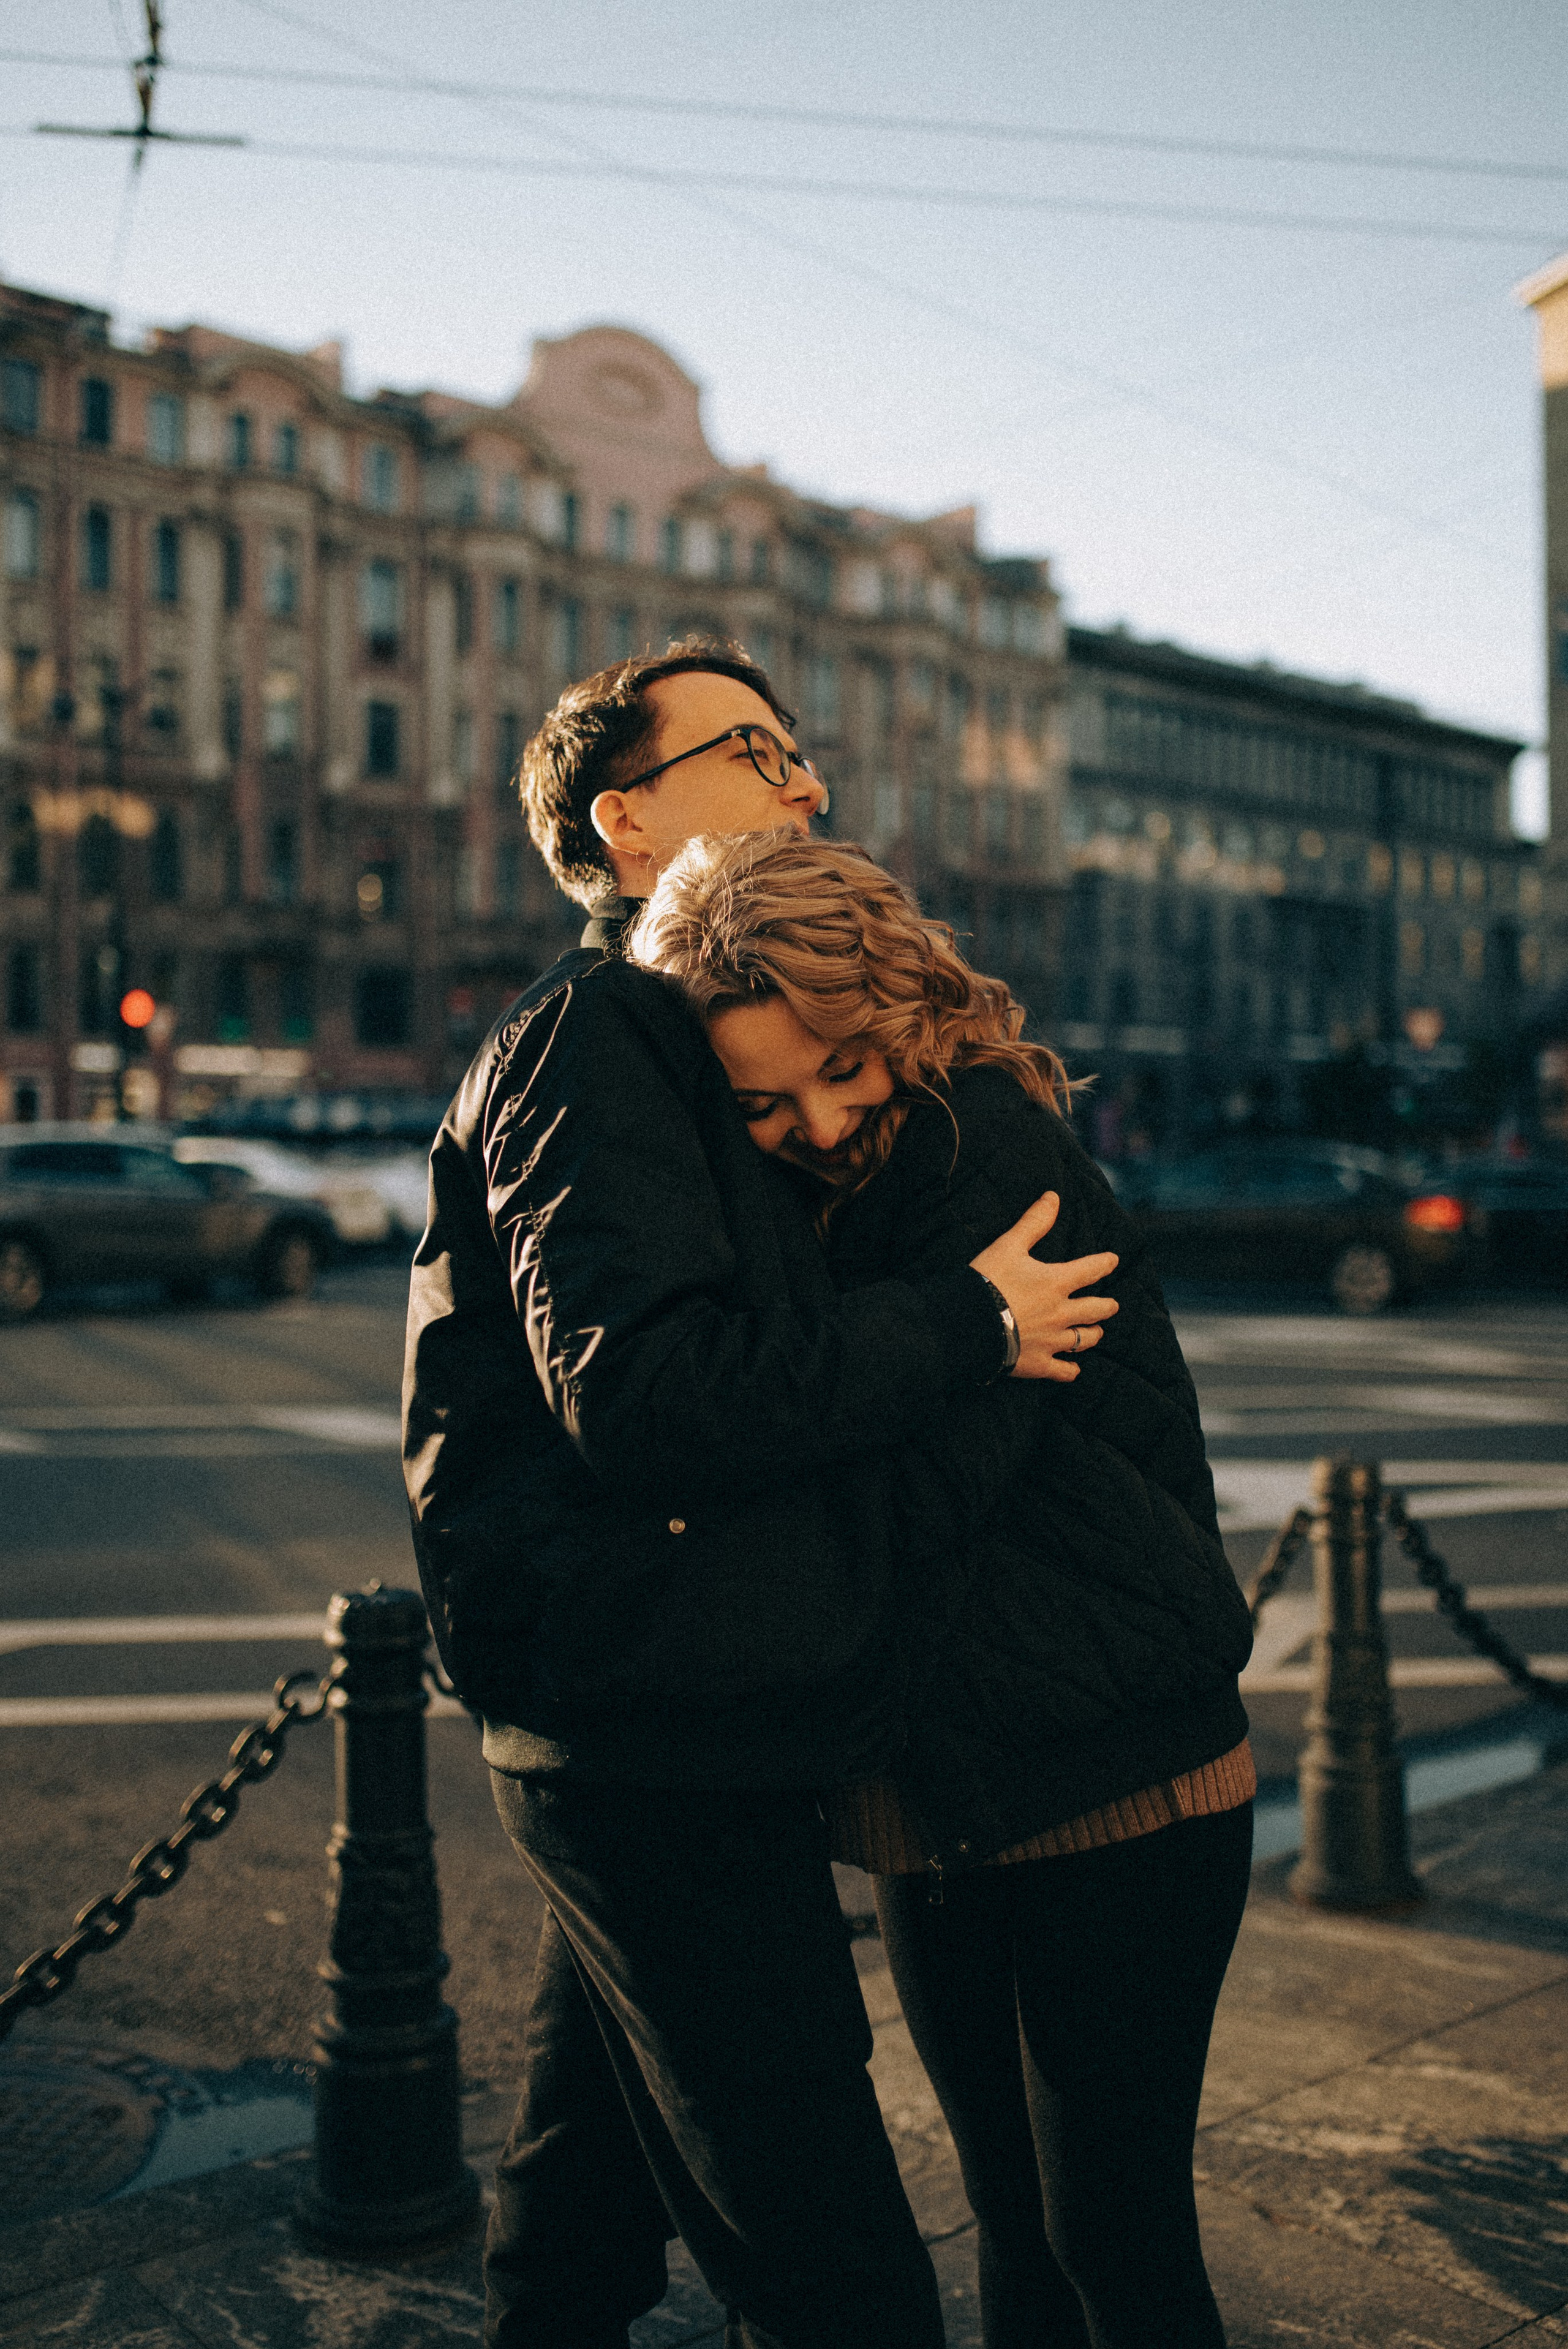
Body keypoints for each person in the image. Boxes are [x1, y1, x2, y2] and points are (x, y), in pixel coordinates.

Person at [402, 638, 1122, 2349]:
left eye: (800, 753)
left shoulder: (671, 1027)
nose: (803, 781)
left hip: (646, 1705)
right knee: (838, 2273)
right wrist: (967, 1319)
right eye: (753, 749)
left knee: (580, 2215)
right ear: (626, 818)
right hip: (651, 1727)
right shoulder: (600, 1031)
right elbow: (646, 1395)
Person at [630, 824, 1257, 2349]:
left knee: (1112, 2236)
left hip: (1120, 1776)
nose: (819, 1123)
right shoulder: (815, 1205)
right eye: (762, 1103)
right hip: (943, 1787)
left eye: (843, 1068)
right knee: (1014, 2231)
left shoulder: (984, 1148)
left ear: (900, 1005)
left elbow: (895, 1502)